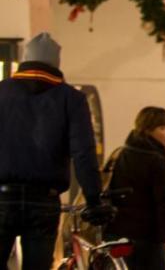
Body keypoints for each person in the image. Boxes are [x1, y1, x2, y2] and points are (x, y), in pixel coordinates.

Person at [0, 33, 111, 270]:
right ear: (56, 63)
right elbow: (83, 153)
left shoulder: (2, 92)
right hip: (44, 200)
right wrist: (93, 198)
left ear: (24, 59)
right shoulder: (71, 99)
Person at [103, 107, 165, 270]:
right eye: (163, 128)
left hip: (117, 241)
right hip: (148, 245)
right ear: (146, 131)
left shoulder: (119, 155)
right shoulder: (156, 162)